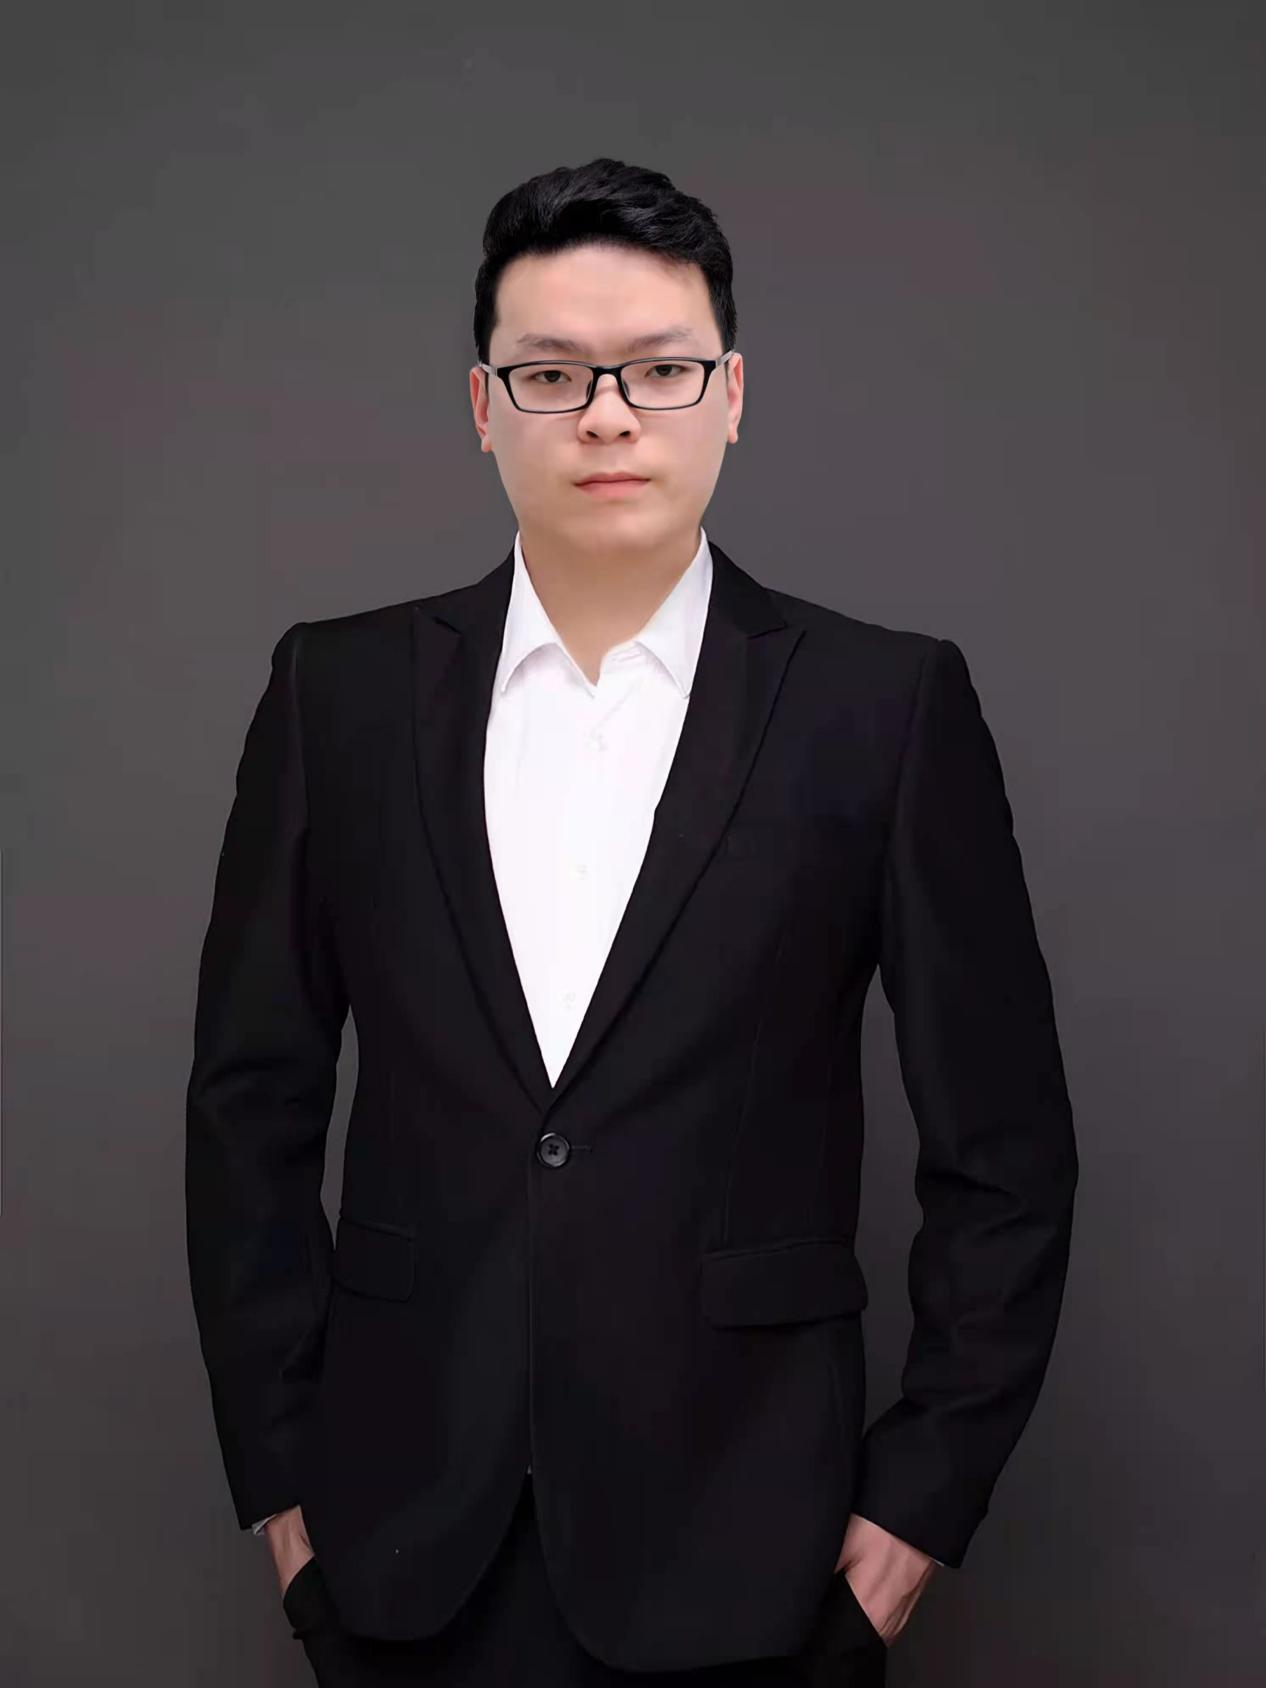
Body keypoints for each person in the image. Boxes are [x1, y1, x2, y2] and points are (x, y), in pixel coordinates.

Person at [186, 156, 1078, 1686]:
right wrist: (280, 1483)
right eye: (551, 374)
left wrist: (921, 1503)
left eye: (658, 370)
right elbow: (247, 1107)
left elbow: (1003, 1147)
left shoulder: (881, 706)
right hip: (399, 1545)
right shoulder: (338, 694)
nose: (606, 415)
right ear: (484, 408)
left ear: (729, 395)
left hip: (759, 1544)